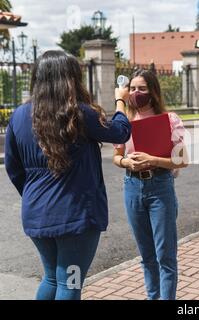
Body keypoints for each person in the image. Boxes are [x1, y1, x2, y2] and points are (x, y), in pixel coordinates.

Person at [4, 50, 131, 300]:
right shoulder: (80, 113)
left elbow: (13, 168)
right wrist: (120, 101)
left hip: (37, 214)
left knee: (52, 278)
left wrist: (34, 196)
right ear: (70, 78)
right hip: (75, 218)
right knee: (70, 283)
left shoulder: (19, 116)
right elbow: (120, 132)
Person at [112, 69, 189, 300]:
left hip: (160, 186)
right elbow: (116, 156)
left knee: (165, 255)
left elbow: (183, 160)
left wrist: (153, 160)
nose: (136, 93)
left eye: (142, 88)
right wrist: (126, 161)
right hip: (132, 188)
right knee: (146, 255)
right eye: (133, 88)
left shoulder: (170, 120)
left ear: (153, 91)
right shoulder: (124, 122)